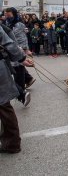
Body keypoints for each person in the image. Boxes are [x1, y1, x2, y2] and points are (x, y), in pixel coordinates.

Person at [0, 24, 33, 153]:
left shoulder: (17, 24)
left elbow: (9, 42)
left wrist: (22, 57)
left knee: (3, 105)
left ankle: (12, 143)